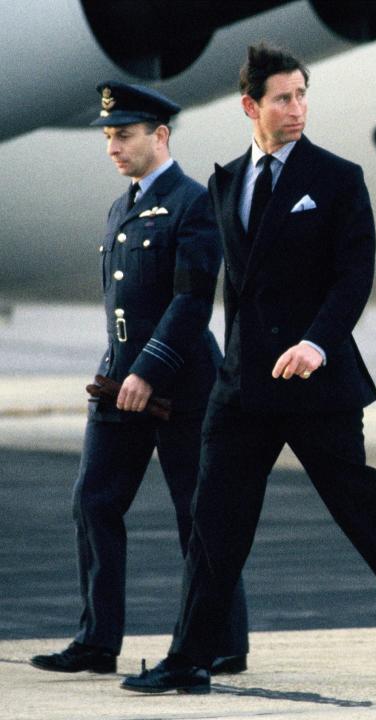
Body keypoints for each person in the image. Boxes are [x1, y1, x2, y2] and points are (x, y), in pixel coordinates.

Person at [121, 44, 376, 695]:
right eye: (283, 98)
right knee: (214, 522)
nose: (297, 109)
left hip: (317, 383)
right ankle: (191, 655)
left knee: (362, 510)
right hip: (243, 388)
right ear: (251, 106)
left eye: (302, 95)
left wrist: (318, 342)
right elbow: (221, 290)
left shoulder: (338, 178)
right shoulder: (227, 179)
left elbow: (354, 275)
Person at [29, 82, 248, 676]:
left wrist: (149, 370)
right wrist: (119, 369)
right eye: (107, 136)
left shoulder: (195, 202)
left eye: (123, 136)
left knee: (197, 514)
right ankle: (97, 642)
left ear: (160, 135)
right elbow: (119, 304)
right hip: (118, 382)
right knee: (92, 502)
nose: (112, 148)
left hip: (181, 384)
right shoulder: (120, 207)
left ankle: (221, 642)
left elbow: (191, 301)